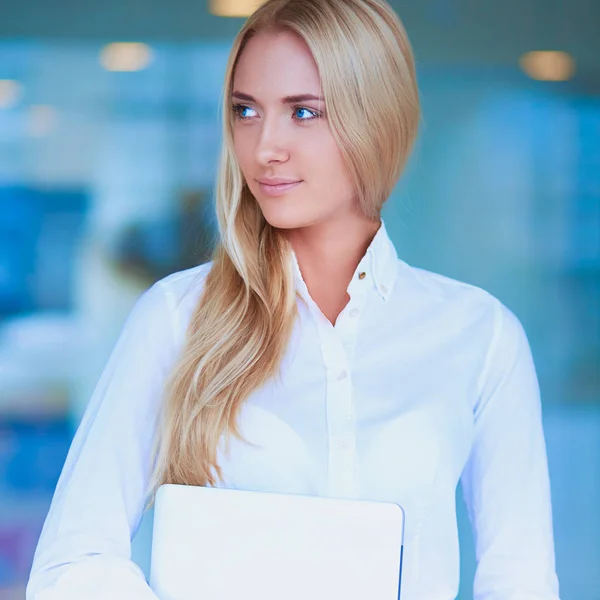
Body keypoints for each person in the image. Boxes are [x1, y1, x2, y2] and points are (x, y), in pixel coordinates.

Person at [26, 0, 561, 598]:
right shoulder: (176, 318)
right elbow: (72, 563)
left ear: (377, 120)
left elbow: (520, 577)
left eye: (303, 112)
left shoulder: (480, 334)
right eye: (246, 111)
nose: (264, 148)